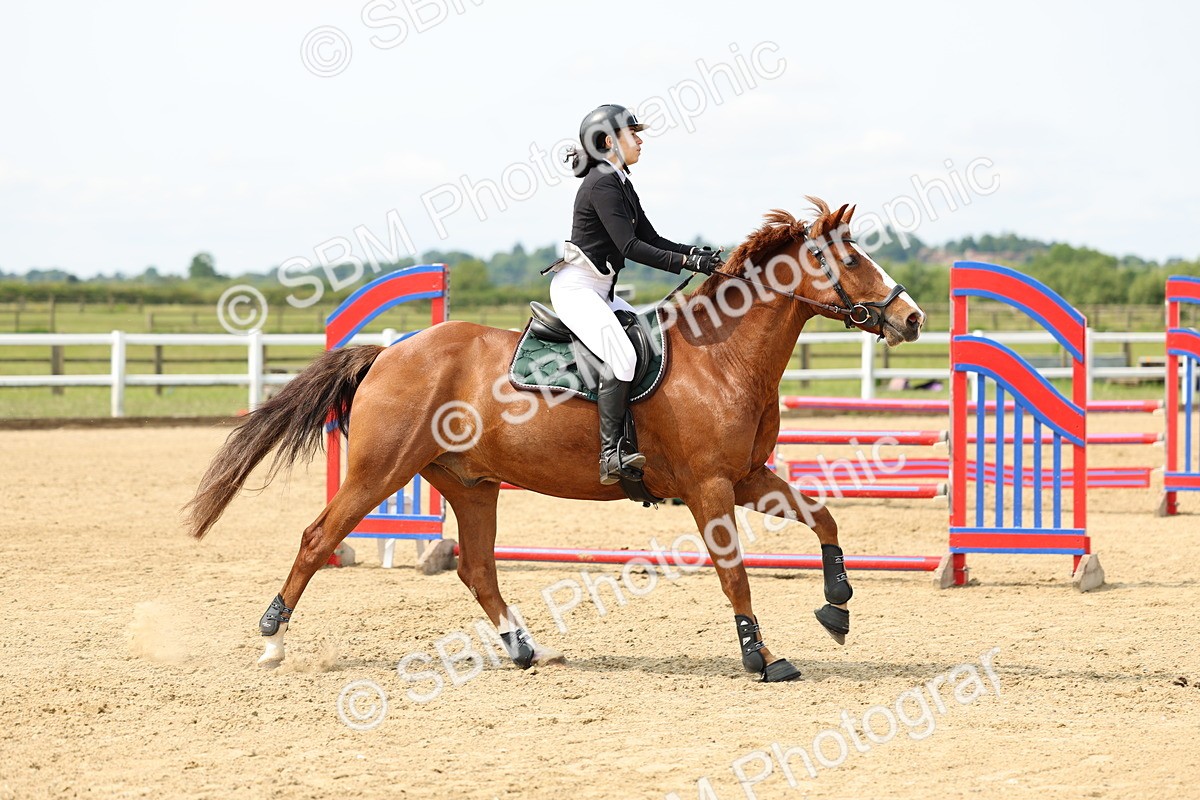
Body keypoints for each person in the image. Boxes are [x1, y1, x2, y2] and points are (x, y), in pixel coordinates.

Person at [550, 103, 722, 485]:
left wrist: (694, 254)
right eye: (633, 134)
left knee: (656, 340)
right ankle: (611, 453)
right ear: (610, 141)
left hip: (602, 291)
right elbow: (630, 247)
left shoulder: (620, 181)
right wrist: (685, 265)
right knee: (624, 357)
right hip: (578, 290)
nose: (640, 140)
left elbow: (652, 238)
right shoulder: (600, 183)